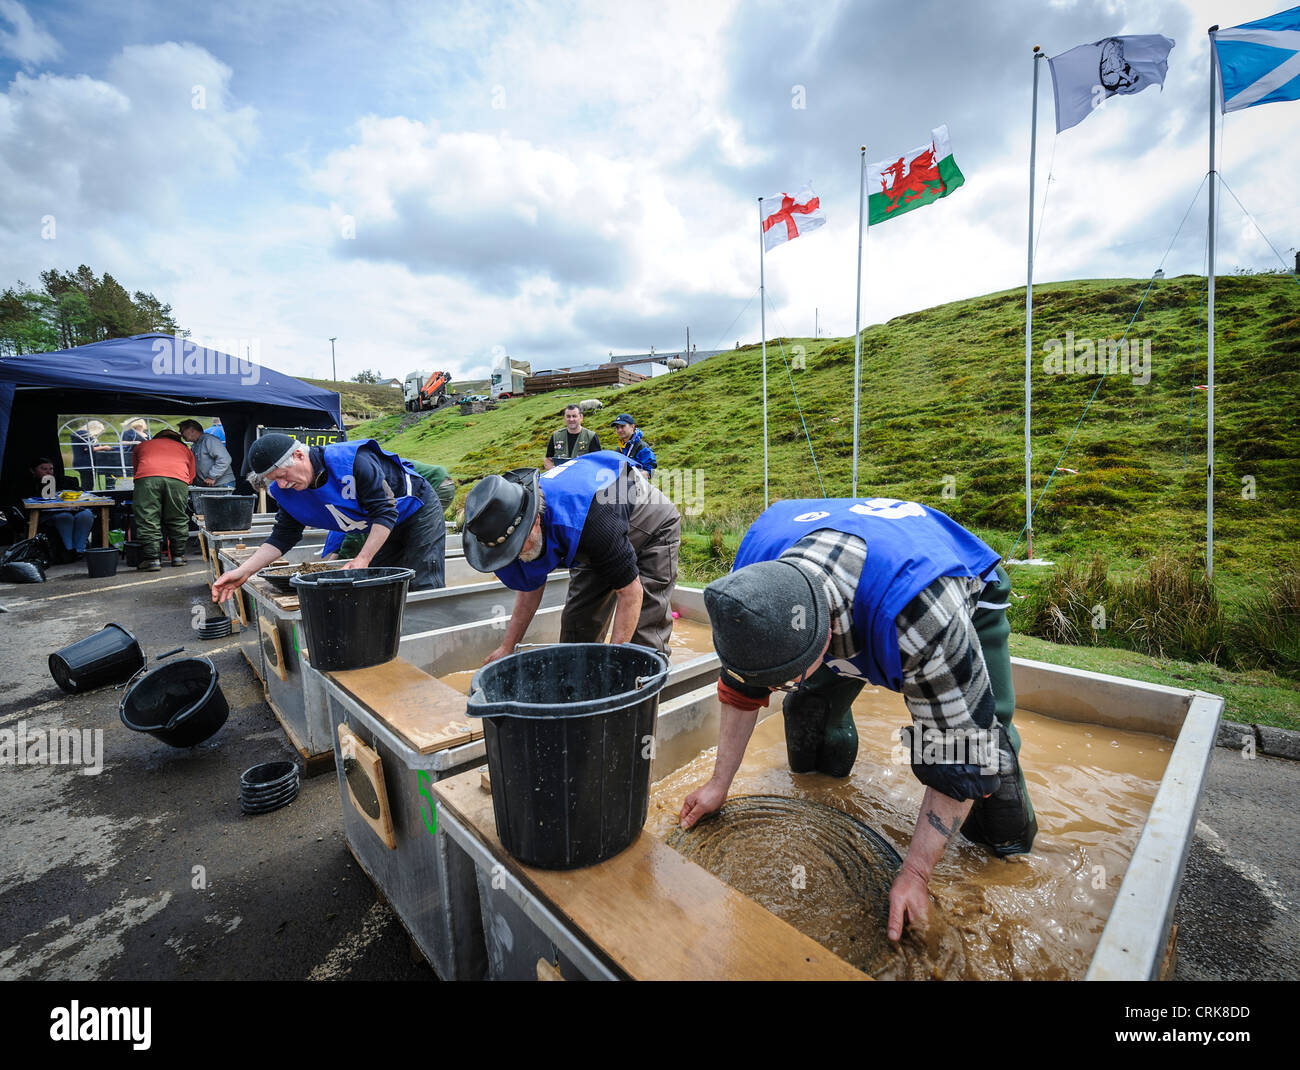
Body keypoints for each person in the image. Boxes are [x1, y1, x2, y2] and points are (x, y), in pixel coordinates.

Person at [677, 496, 1036, 943]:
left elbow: (961, 752)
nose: (773, 688)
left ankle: (1008, 847)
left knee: (989, 770)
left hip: (952, 583)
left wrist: (916, 873)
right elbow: (740, 689)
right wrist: (719, 784)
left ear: (823, 641)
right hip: (843, 583)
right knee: (807, 714)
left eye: (783, 678)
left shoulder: (923, 618)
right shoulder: (749, 589)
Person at [461, 451, 680, 660]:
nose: (514, 556)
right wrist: (507, 647)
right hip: (592, 533)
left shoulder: (591, 525)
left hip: (648, 521)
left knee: (642, 640)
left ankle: (641, 689)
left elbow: (630, 592)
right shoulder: (510, 523)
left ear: (535, 521)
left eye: (516, 547)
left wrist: (613, 662)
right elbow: (530, 586)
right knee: (578, 624)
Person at [211, 434, 446, 600]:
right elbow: (283, 536)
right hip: (380, 525)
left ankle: (434, 634)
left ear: (300, 456)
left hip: (417, 510)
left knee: (423, 579)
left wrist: (362, 558)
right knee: (380, 580)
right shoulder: (286, 490)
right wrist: (244, 571)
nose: (282, 484)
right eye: (275, 480)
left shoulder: (352, 462)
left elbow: (385, 510)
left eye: (283, 475)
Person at [325, 459, 454, 560]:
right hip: (412, 490)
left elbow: (358, 533)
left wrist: (345, 559)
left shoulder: (359, 482)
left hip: (436, 484)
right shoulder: (346, 494)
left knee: (417, 534)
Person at [131, 429, 196, 570]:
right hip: (178, 481)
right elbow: (191, 477)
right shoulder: (185, 449)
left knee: (148, 518)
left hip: (147, 479)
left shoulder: (143, 445)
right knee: (177, 518)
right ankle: (178, 557)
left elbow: (136, 470)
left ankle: (152, 559)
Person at [21, 457, 94, 562]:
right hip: (46, 515)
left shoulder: (64, 481)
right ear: (33, 470)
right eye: (44, 469)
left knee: (86, 515)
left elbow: (81, 494)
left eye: (51, 469)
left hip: (71, 510)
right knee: (65, 517)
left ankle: (80, 550)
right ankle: (68, 549)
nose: (48, 472)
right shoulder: (29, 485)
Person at [178, 419, 234, 488]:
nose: (181, 435)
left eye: (182, 431)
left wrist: (212, 476)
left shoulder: (209, 440)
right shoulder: (195, 446)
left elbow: (225, 459)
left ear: (191, 430)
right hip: (210, 485)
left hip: (222, 484)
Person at [543, 404, 601, 469]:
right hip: (561, 477)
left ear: (581, 417)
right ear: (564, 418)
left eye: (574, 416)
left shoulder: (591, 436)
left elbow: (597, 461)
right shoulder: (556, 436)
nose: (571, 419)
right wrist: (553, 470)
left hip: (582, 476)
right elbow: (548, 459)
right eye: (568, 416)